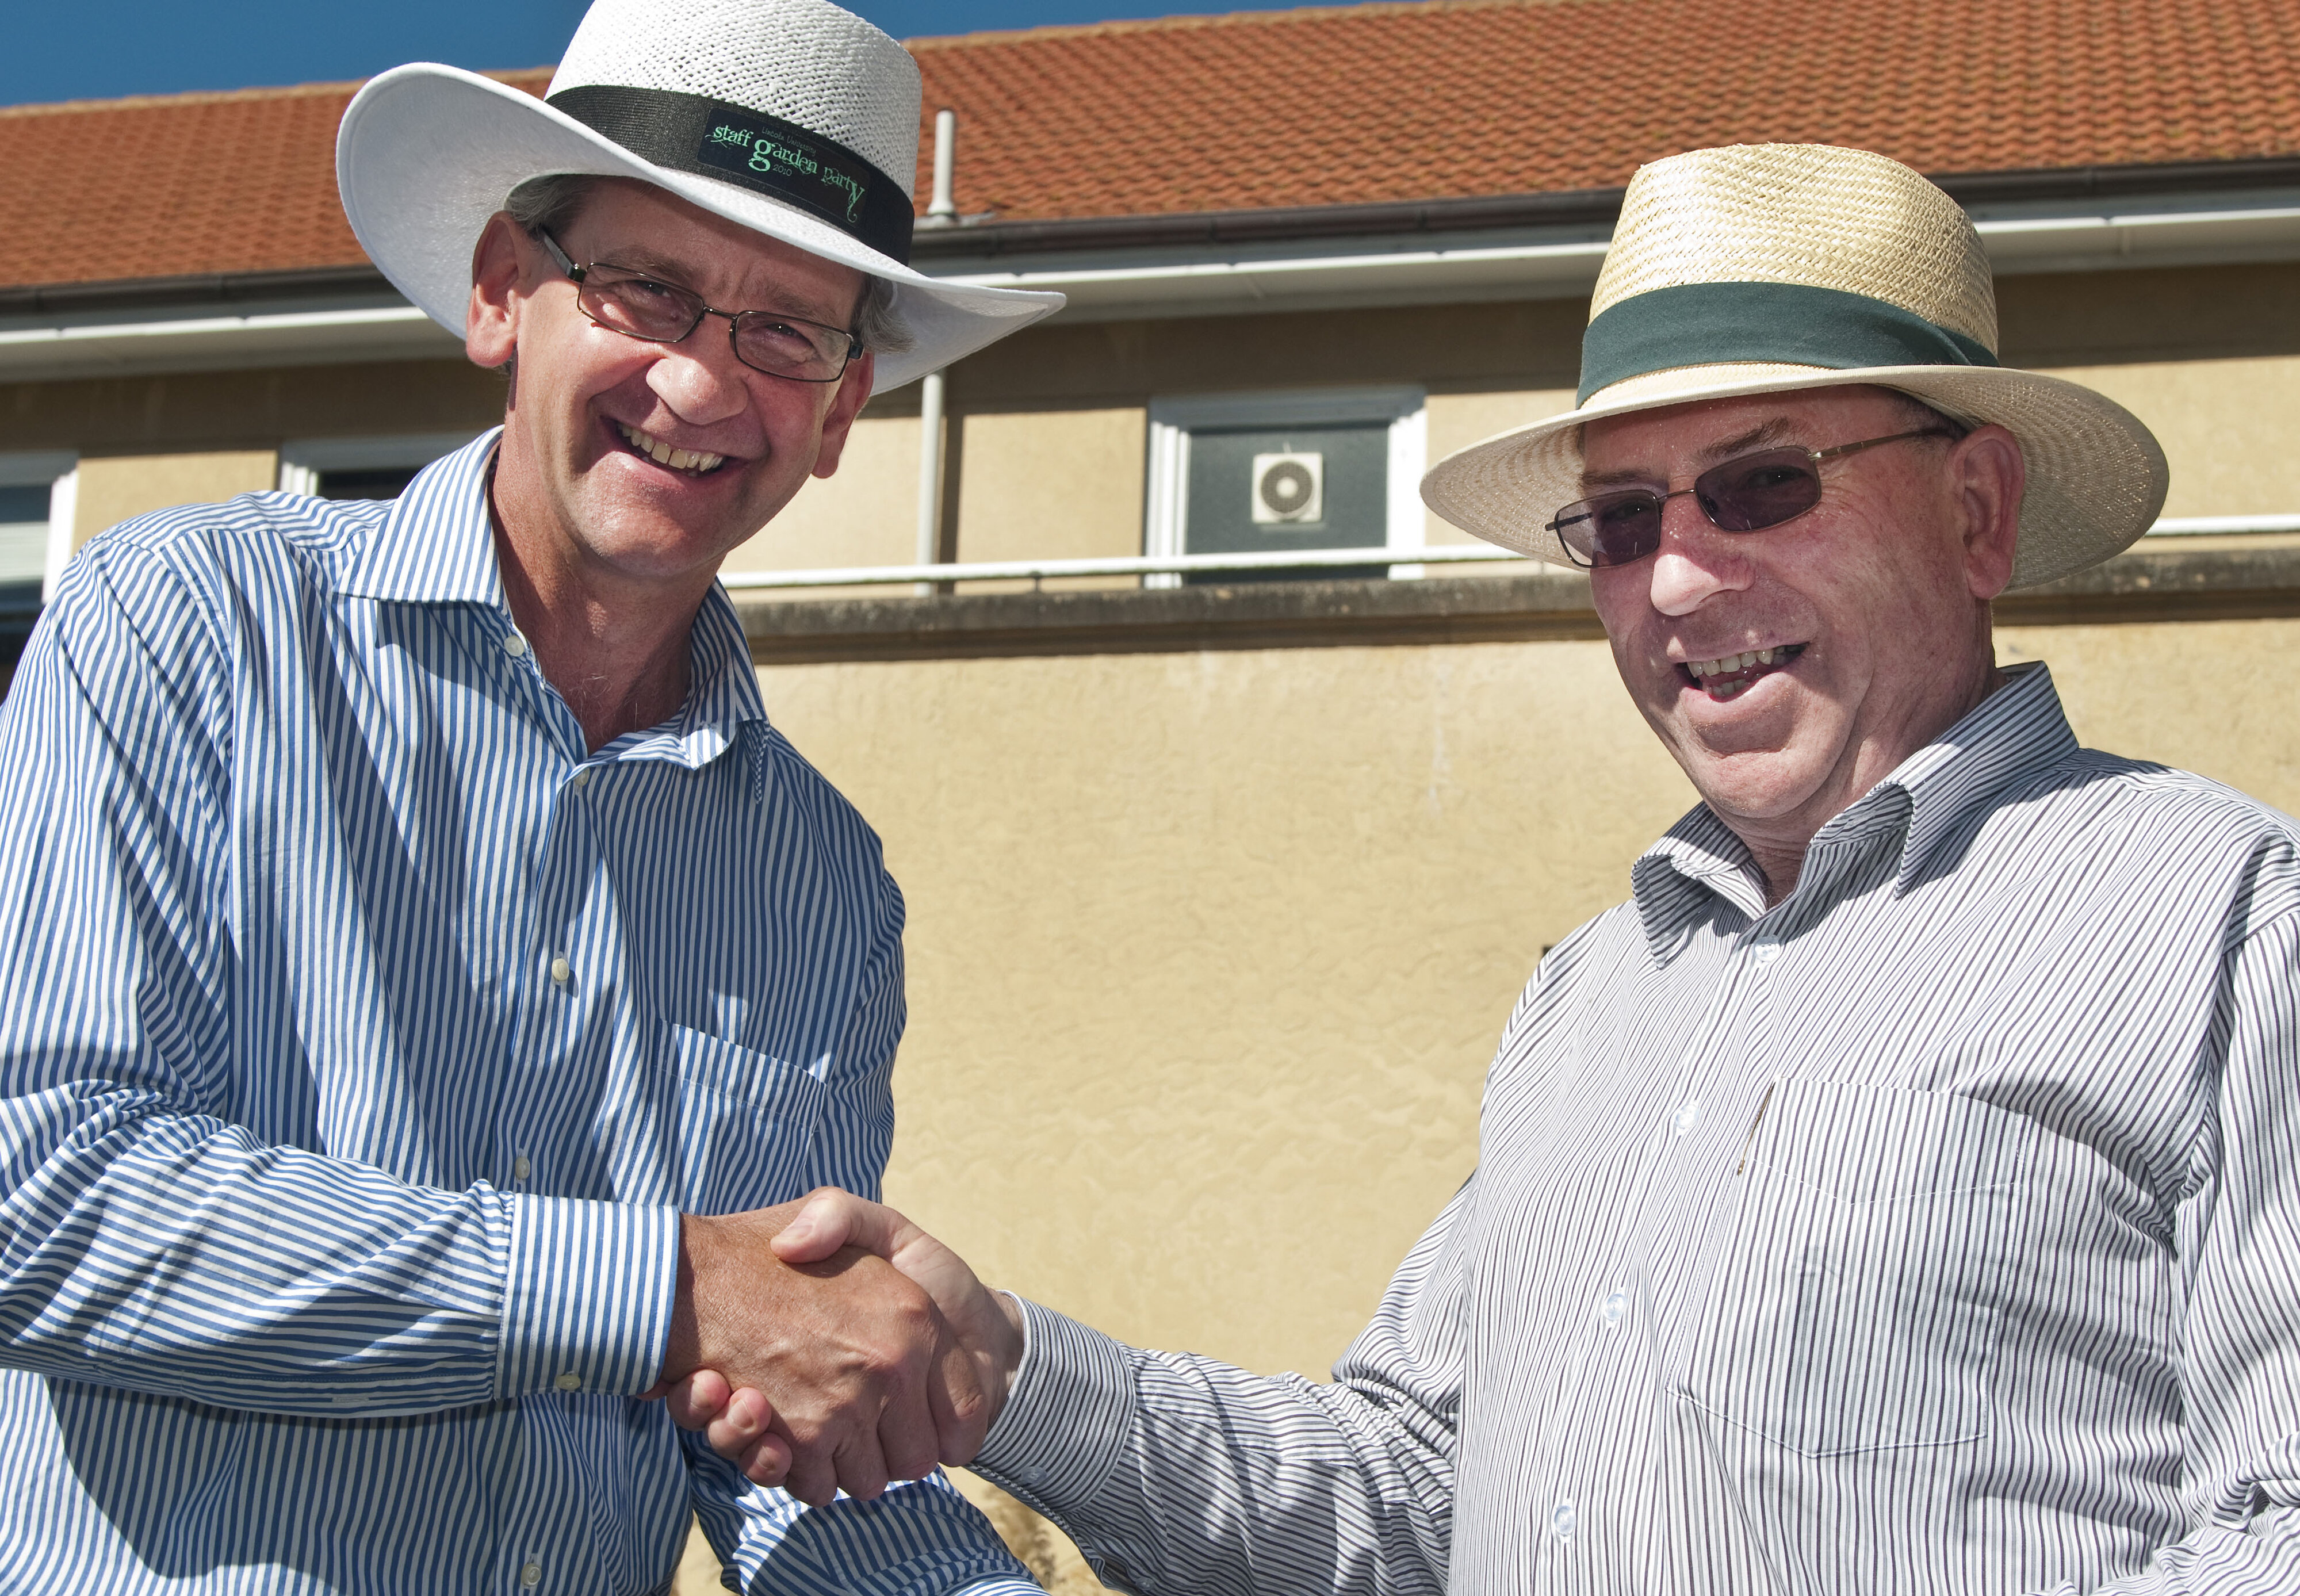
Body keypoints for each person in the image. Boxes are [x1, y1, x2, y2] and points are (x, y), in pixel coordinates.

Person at [684, 143, 2300, 1593]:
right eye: (1616, 519)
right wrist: (1008, 1376)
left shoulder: (2217, 918)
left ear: (1976, 509)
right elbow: (1409, 1502)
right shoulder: (1590, 996)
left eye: (1761, 485)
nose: (1675, 576)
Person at [0, 1, 1062, 1591]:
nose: (703, 387)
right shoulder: (189, 625)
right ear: (507, 292)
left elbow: (773, 1439)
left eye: (787, 333)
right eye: (648, 290)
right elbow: (44, 1196)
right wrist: (657, 1289)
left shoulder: (827, 888)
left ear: (841, 414)